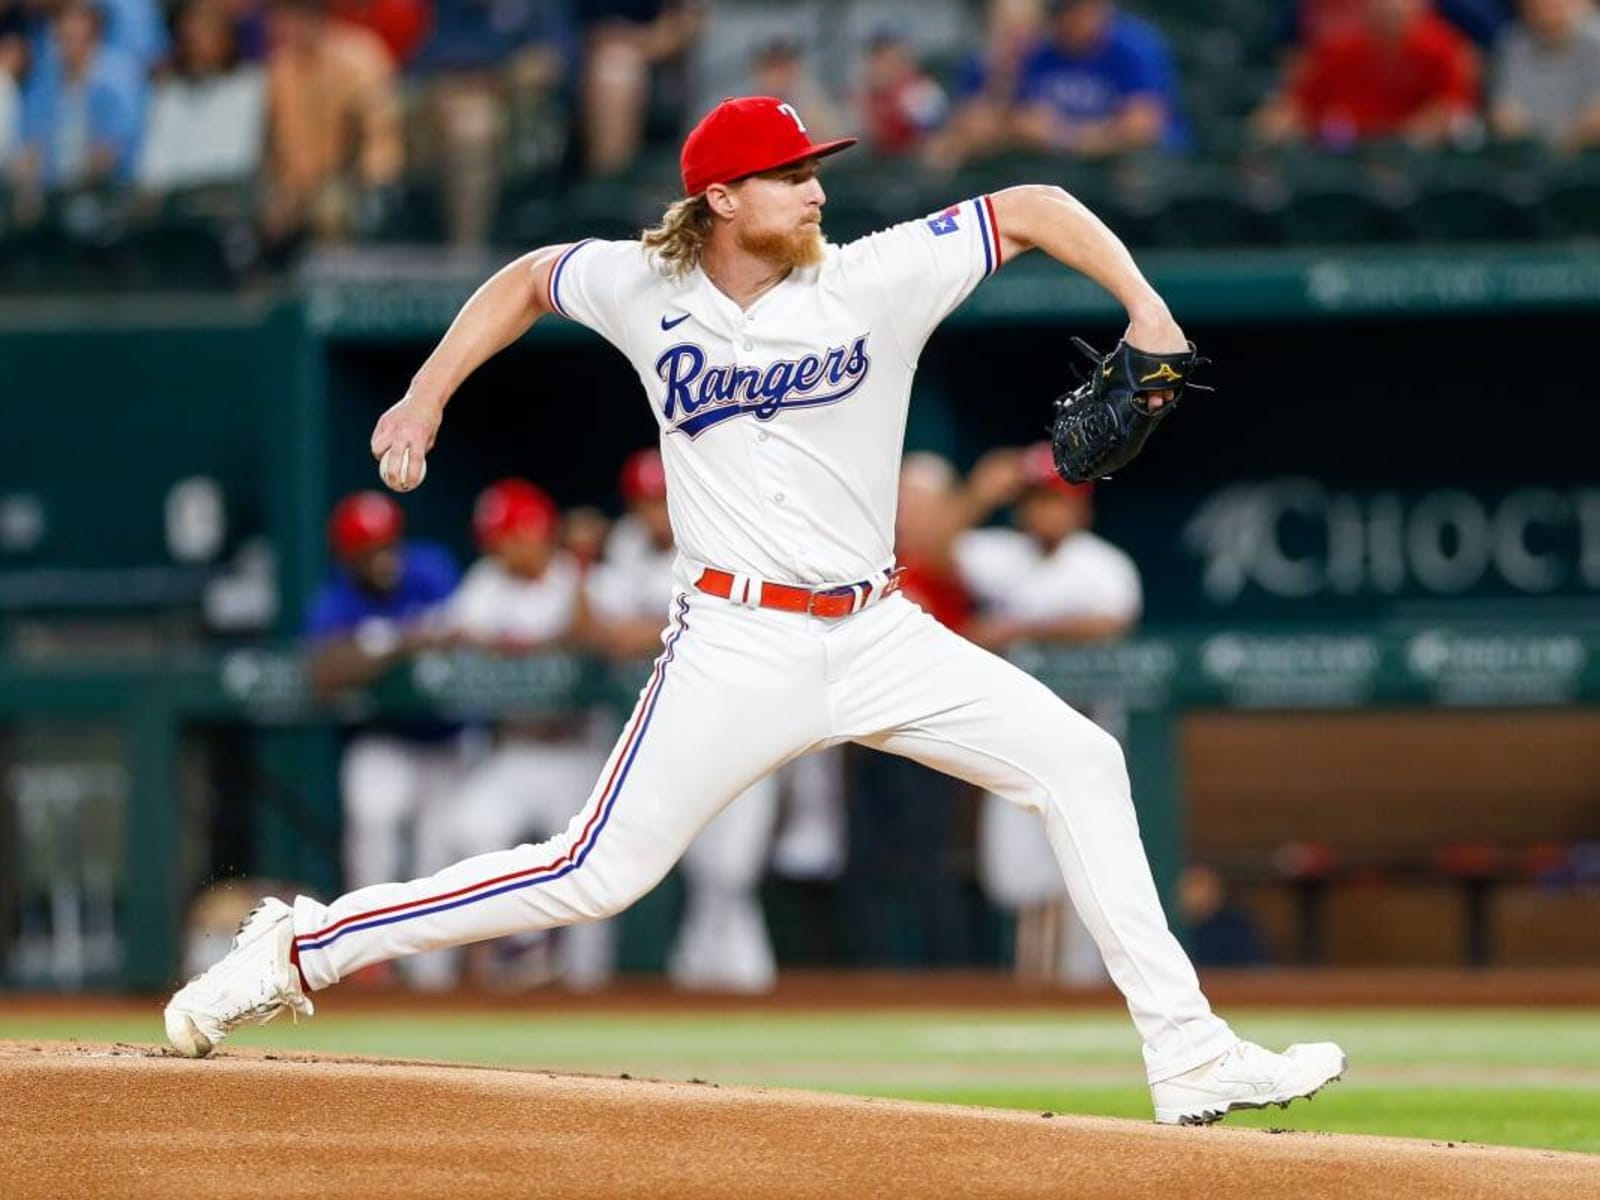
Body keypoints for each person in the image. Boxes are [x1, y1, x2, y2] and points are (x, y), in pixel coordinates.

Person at [166, 93, 1345, 1127]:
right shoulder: (644, 284)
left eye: (815, 168)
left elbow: (1032, 202)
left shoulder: (878, 274)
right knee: (591, 872)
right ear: (721, 197)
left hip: (878, 633)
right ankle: (298, 946)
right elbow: (529, 278)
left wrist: (1145, 310)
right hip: (736, 641)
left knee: (1081, 762)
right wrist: (425, 392)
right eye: (792, 175)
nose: (817, 188)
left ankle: (1187, 1053)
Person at [587, 448, 783, 991]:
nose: (657, 512)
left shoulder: (726, 532)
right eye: (647, 502)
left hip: (745, 728)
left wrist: (645, 630)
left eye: (662, 498)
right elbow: (603, 634)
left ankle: (733, 986)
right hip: (678, 736)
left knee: (731, 872)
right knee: (705, 872)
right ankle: (717, 987)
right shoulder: (624, 550)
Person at [954, 444, 1142, 988]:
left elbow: (1111, 620)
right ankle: (1042, 996)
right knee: (1017, 880)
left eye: (1057, 502)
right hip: (1015, 738)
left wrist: (1016, 631)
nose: (1046, 513)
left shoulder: (1100, 563)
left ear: (1080, 509)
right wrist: (977, 494)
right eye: (1036, 501)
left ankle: (1071, 997)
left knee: (1085, 878)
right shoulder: (1001, 554)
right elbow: (930, 549)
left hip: (1089, 737)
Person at [436, 477, 616, 990]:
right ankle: (516, 950)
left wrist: (578, 577)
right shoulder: (488, 580)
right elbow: (454, 634)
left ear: (536, 532)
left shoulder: (580, 577)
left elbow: (592, 639)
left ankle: (590, 988)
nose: (498, 547)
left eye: (508, 535)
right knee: (471, 827)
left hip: (579, 749)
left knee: (591, 865)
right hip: (515, 748)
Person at [302, 491, 471, 987]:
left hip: (448, 737)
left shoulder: (431, 569)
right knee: (373, 820)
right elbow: (326, 671)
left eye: (387, 543)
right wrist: (399, 642)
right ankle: (368, 959)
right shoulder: (337, 599)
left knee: (438, 853)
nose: (383, 556)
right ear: (347, 556)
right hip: (386, 737)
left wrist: (380, 646)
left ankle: (432, 977)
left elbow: (463, 631)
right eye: (369, 548)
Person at [1253, 0, 1480, 148]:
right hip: (1351, 153)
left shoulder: (1441, 47)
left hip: (1418, 155)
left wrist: (1405, 142)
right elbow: (1301, 102)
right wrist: (1271, 127)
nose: (1389, 10)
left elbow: (1452, 103)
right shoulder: (1342, 48)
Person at [1489, 0, 1600, 152]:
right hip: (1529, 154)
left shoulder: (1595, 40)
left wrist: (1565, 139)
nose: (1544, 8)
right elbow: (1505, 115)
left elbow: (1594, 119)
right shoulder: (1513, 42)